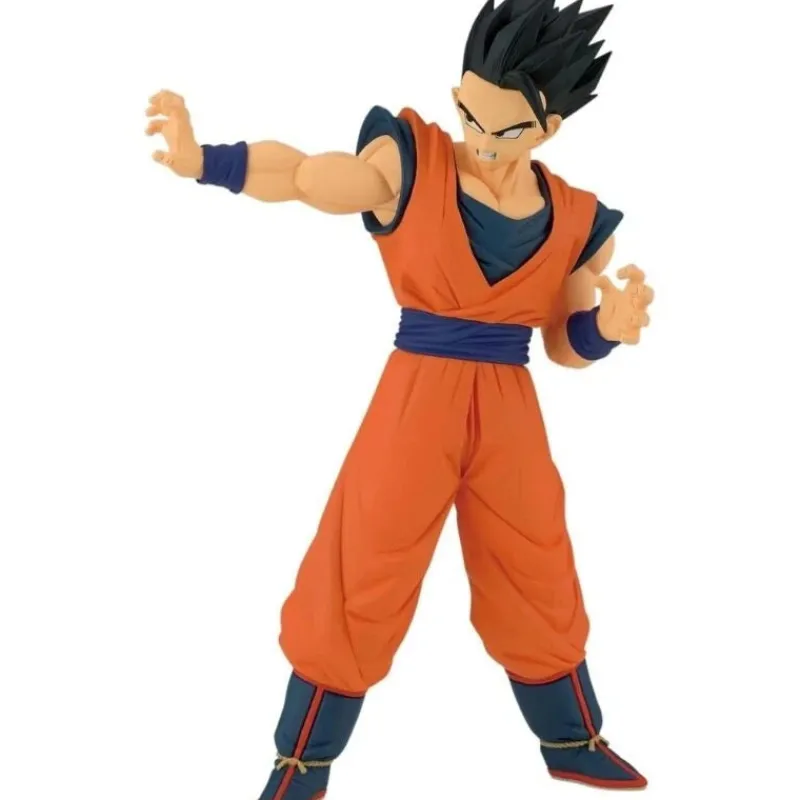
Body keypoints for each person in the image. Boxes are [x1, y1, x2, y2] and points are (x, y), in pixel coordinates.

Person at [146, 1, 654, 796]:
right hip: (418, 391)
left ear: (547, 129)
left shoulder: (575, 219)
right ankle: (302, 760)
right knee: (364, 561)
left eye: (504, 129)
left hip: (509, 403)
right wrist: (204, 160)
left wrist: (607, 330)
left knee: (536, 561)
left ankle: (572, 740)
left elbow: (564, 343)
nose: (478, 139)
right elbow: (306, 176)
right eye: (468, 114)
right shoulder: (412, 164)